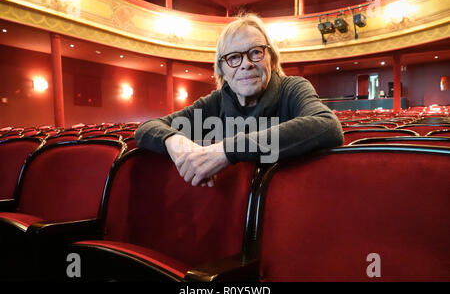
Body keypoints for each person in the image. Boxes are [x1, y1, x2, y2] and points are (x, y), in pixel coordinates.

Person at [135, 14, 343, 187]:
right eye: (233, 57)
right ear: (222, 70)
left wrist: (226, 151)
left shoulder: (293, 88)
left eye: (255, 52)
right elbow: (146, 129)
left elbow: (328, 126)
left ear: (271, 59)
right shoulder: (216, 102)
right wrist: (175, 142)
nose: (246, 64)